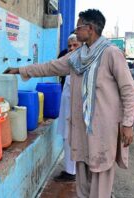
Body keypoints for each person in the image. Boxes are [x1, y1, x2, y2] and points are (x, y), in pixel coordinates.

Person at [4, 9, 134, 198]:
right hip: (82, 127)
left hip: (103, 129)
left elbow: (128, 90)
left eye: (79, 25)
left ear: (90, 29)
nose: (75, 29)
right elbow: (50, 66)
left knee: (100, 175)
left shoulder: (111, 53)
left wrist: (128, 124)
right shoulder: (77, 56)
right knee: (82, 172)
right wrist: (20, 70)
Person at [54, 33, 82, 182]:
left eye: (75, 45)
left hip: (75, 113)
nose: (71, 48)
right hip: (66, 108)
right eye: (69, 45)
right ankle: (71, 169)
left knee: (71, 139)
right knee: (67, 138)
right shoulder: (68, 61)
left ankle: (71, 172)